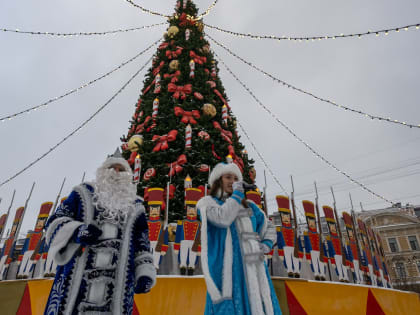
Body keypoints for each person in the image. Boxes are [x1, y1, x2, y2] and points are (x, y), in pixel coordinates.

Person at [43, 149, 156, 314]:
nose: (116, 173)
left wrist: (144, 272)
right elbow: (55, 220)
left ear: (128, 174)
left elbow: (142, 243)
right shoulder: (82, 193)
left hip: (119, 285)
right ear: (103, 171)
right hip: (76, 281)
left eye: (121, 169)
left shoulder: (136, 206)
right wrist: (77, 231)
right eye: (112, 168)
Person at [197, 162, 282, 315]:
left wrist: (266, 244)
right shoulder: (207, 204)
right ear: (218, 180)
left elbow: (269, 227)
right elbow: (223, 219)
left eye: (236, 178)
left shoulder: (250, 207)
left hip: (255, 271)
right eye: (228, 177)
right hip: (227, 273)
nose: (232, 181)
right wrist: (236, 195)